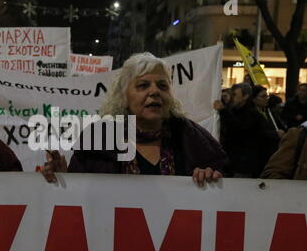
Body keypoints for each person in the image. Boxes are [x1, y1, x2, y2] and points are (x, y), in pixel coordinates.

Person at [40, 52, 228, 187]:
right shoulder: (99, 137)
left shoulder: (190, 137)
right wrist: (64, 179)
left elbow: (227, 191)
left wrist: (210, 177)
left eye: (162, 85)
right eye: (143, 85)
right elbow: (78, 200)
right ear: (124, 96)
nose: (154, 91)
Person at [215, 82, 281, 178]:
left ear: (245, 96)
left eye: (235, 94)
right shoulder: (233, 111)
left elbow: (241, 129)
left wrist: (223, 111)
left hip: (243, 165)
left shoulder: (252, 114)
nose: (232, 97)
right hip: (230, 163)